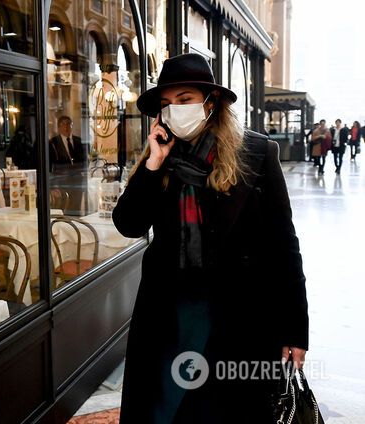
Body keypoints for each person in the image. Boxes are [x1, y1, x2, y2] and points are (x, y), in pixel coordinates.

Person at [112, 54, 308, 423]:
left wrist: (295, 329)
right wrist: (153, 164)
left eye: (185, 99)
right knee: (165, 407)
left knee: (223, 410)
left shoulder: (256, 153)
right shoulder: (162, 157)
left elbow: (284, 245)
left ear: (210, 101)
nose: (175, 111)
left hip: (238, 314)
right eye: (167, 104)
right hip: (169, 312)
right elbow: (129, 223)